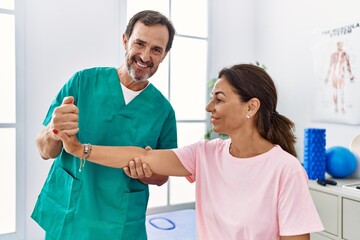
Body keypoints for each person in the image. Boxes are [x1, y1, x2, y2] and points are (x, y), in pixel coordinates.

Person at [56, 64, 324, 240]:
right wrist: (80, 149)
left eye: (219, 99)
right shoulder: (205, 154)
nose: (209, 107)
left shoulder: (285, 170)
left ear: (250, 107)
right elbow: (143, 156)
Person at [31, 10, 177, 240]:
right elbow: (45, 151)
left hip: (120, 221)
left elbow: (163, 176)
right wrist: (53, 131)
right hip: (73, 212)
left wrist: (148, 174)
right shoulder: (82, 82)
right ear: (125, 40)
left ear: (164, 55)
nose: (145, 56)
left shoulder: (163, 111)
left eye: (156, 49)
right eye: (139, 43)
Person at [325, 40, 355, 113]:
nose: (340, 46)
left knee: (341, 92)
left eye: (341, 44)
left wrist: (350, 74)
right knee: (335, 91)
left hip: (341, 75)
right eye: (339, 44)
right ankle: (336, 107)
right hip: (334, 75)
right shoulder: (333, 54)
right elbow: (330, 66)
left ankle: (342, 107)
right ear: (337, 45)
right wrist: (327, 77)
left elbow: (348, 65)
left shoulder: (345, 54)